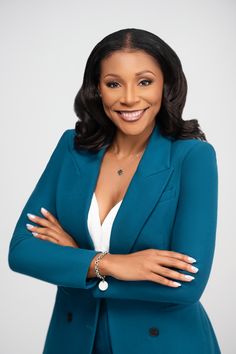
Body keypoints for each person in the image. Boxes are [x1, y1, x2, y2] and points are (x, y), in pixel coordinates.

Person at [8, 28, 221, 354]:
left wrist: (74, 262)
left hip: (165, 343)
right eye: (113, 83)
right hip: (72, 339)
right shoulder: (72, 148)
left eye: (145, 81)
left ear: (167, 85)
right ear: (97, 90)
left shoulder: (192, 156)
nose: (130, 98)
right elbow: (22, 251)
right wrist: (107, 264)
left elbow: (186, 286)